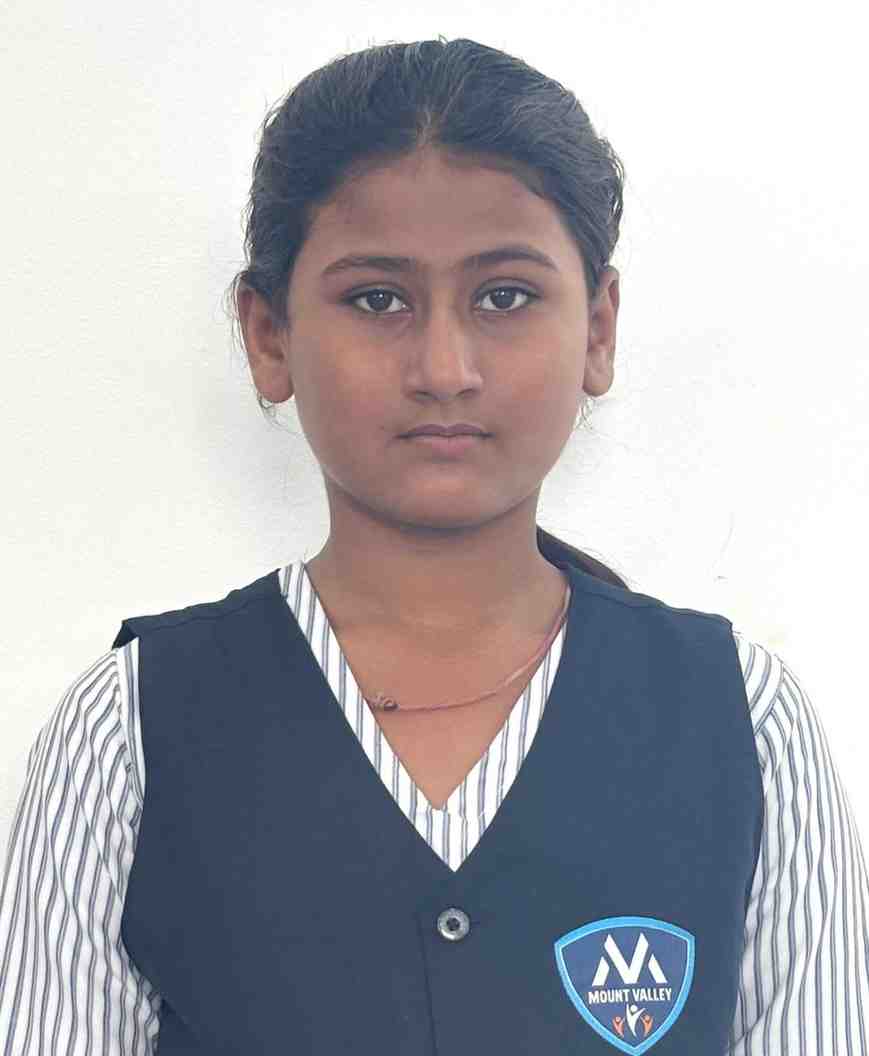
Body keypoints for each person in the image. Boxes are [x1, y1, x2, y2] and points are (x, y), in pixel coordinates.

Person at [1, 35, 867, 1056]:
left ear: (596, 329)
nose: (444, 367)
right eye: (378, 299)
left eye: (504, 296)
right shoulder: (128, 732)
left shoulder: (745, 724)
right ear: (269, 336)